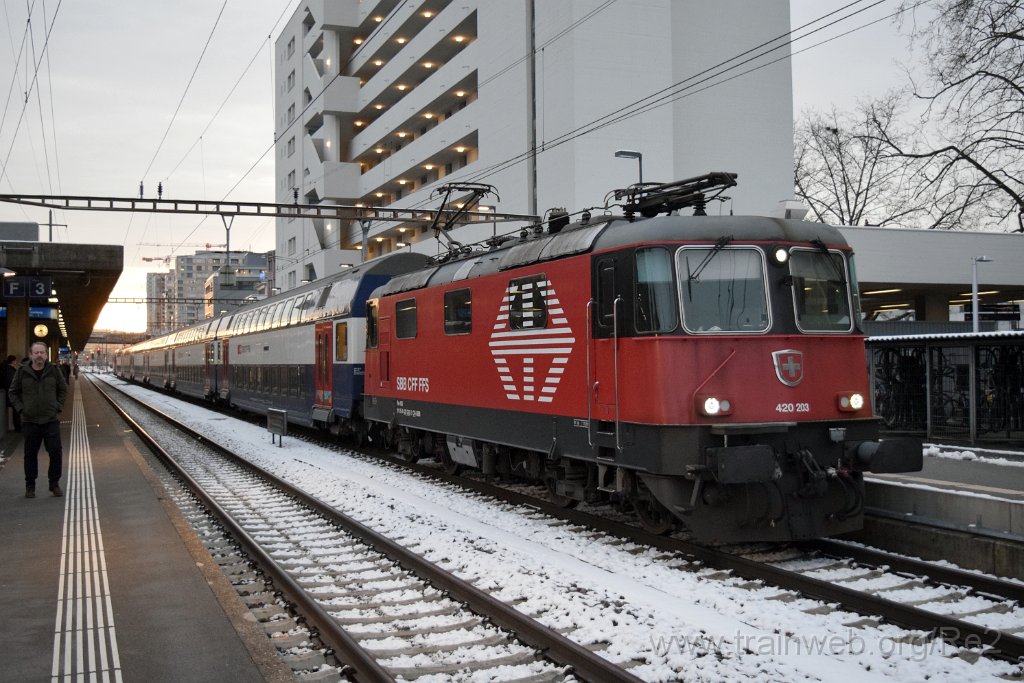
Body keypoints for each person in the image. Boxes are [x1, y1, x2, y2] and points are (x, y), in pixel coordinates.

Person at [9, 341, 68, 498]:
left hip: (50, 419)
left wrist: (58, 406)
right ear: (31, 355)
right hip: (30, 421)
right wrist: (21, 409)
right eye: (36, 353)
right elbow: (13, 392)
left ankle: (54, 484)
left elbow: (63, 389)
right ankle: (30, 485)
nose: (39, 355)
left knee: (56, 453)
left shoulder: (54, 370)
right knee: (30, 454)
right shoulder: (22, 371)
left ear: (46, 355)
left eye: (42, 352)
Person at [0, 354, 21, 431]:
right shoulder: (10, 371)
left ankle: (18, 426)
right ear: (13, 361)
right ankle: (18, 427)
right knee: (17, 409)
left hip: (9, 393)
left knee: (16, 410)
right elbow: (11, 382)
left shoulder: (8, 369)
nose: (16, 362)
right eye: (15, 360)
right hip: (11, 394)